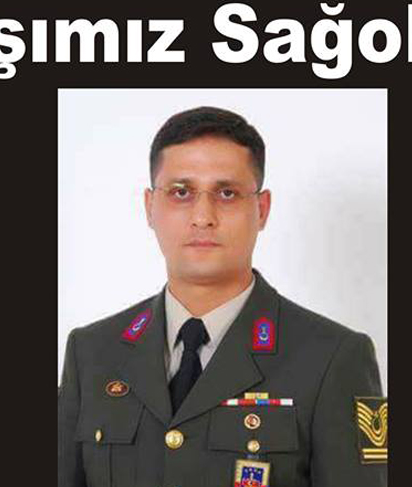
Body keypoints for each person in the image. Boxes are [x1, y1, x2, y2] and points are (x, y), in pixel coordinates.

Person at [58, 106, 387, 487]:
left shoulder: (333, 359)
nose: (203, 216)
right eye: (181, 192)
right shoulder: (92, 354)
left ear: (261, 209)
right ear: (150, 207)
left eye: (227, 193)